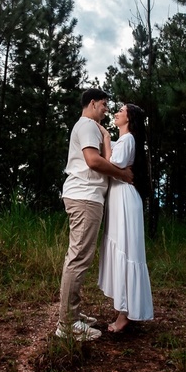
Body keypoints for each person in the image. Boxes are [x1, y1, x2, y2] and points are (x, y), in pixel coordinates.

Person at [56, 88, 134, 341]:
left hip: (86, 196)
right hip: (84, 197)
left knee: (79, 256)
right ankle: (67, 324)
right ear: (92, 103)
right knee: (78, 258)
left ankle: (73, 314)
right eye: (103, 104)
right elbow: (93, 160)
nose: (106, 109)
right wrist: (122, 175)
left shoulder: (89, 126)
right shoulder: (89, 125)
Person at [98, 103, 153, 332]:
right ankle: (125, 307)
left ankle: (126, 313)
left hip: (125, 199)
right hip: (119, 197)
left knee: (126, 250)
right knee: (122, 248)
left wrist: (107, 139)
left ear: (129, 118)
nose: (116, 113)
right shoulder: (127, 140)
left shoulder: (128, 139)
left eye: (121, 110)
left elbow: (113, 164)